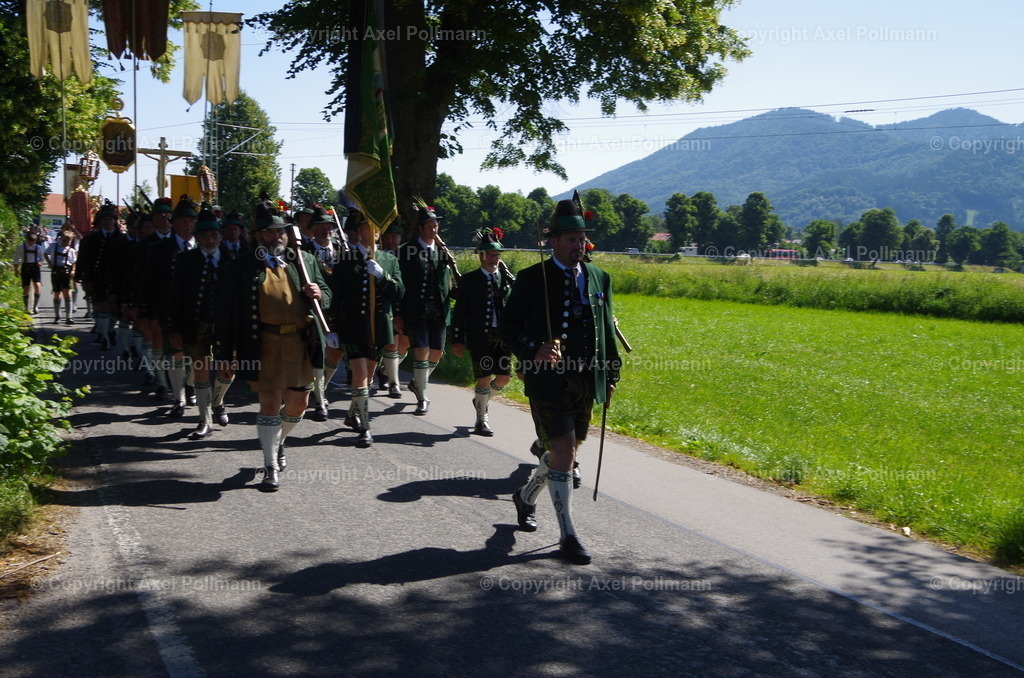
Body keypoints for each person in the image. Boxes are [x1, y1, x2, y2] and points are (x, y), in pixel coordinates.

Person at [500, 197, 621, 566]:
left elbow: (607, 329)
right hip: (547, 379)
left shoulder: (600, 277)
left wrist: (611, 374)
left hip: (587, 378)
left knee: (561, 456)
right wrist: (531, 350)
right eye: (570, 238)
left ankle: (526, 495)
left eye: (581, 238)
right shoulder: (531, 278)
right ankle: (568, 534)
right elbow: (508, 326)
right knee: (564, 450)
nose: (577, 245)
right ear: (553, 241)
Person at [214, 199, 331, 491]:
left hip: (300, 344)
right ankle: (270, 466)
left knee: (297, 404)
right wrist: (225, 355)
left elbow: (328, 294)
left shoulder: (304, 262)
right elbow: (226, 315)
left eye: (279, 231)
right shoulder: (239, 268)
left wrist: (320, 293)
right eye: (268, 232)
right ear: (257, 236)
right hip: (262, 344)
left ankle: (280, 441)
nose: (275, 236)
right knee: (269, 402)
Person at [326, 207, 404, 447]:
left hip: (378, 328)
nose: (371, 234)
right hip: (353, 328)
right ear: (358, 232)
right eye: (366, 229)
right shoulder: (346, 260)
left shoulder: (389, 260)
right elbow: (335, 299)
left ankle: (352, 414)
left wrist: (383, 277)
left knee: (368, 376)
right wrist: (333, 329)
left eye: (375, 230)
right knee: (359, 374)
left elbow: (400, 293)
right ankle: (365, 427)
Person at [166, 207, 235, 439]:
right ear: (198, 237)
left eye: (214, 235)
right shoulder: (185, 260)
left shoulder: (232, 260)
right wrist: (174, 328)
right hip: (195, 325)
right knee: (201, 370)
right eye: (205, 236)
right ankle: (204, 420)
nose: (210, 240)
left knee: (227, 371)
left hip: (226, 326)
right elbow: (175, 296)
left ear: (220, 236)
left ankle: (218, 402)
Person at [450, 228, 514, 436]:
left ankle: (481, 400)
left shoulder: (506, 280)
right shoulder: (469, 280)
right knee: (484, 377)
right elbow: (460, 313)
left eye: (497, 256)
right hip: (480, 338)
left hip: (503, 338)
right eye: (489, 255)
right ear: (481, 256)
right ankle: (481, 420)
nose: (493, 260)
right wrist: (458, 339)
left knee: (504, 377)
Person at [395, 202, 457, 415]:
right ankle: (423, 397)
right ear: (421, 228)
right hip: (416, 310)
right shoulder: (406, 251)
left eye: (436, 225)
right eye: (429, 226)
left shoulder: (443, 253)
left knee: (437, 353)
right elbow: (399, 283)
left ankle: (417, 383)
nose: (434, 229)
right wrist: (397, 313)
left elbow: (447, 282)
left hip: (438, 311)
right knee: (421, 351)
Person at [302, 206, 346, 421]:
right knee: (318, 355)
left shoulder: (342, 250)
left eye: (329, 226)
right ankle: (320, 401)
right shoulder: (302, 253)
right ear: (312, 229)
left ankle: (321, 388)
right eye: (321, 226)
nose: (326, 230)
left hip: (338, 309)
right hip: (314, 311)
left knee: (335, 353)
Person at [75, 202, 125, 347]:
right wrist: (83, 277)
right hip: (98, 278)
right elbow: (83, 259)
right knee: (101, 305)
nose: (108, 222)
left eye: (111, 219)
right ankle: (104, 337)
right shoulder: (90, 239)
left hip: (117, 279)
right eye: (105, 220)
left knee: (114, 308)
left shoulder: (121, 238)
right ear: (100, 222)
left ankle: (109, 330)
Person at [377, 220, 408, 397]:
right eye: (387, 236)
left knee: (405, 344)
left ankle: (385, 371)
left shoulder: (406, 255)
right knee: (392, 343)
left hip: (405, 304)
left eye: (394, 237)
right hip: (387, 305)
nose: (390, 240)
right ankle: (393, 383)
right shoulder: (379, 256)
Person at [44, 227, 78, 324]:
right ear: (61, 238)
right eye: (64, 240)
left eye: (68, 241)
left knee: (68, 293)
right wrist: (49, 263)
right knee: (57, 293)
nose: (66, 242)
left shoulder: (70, 251)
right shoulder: (54, 246)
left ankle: (69, 317)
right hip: (56, 271)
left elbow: (74, 262)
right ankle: (57, 317)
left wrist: (73, 270)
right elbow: (45, 254)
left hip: (66, 272)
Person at [13, 231, 45, 314]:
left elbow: (41, 258)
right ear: (27, 240)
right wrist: (16, 269)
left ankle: (35, 306)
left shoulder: (38, 247)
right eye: (30, 240)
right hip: (26, 267)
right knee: (26, 287)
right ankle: (26, 307)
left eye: (33, 241)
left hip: (35, 267)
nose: (31, 242)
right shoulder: (21, 247)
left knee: (37, 285)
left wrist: (40, 262)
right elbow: (16, 258)